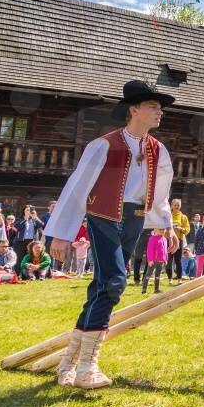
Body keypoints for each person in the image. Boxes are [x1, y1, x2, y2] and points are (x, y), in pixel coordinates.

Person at [46, 80, 176, 390]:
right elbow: (77, 189)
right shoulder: (103, 145)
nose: (159, 113)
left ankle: (69, 364)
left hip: (134, 219)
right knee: (116, 280)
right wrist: (62, 233)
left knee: (101, 287)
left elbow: (159, 194)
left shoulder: (158, 150)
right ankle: (88, 367)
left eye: (160, 109)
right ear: (134, 110)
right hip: (102, 217)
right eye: (153, 107)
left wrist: (168, 225)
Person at [164, 199, 190, 285]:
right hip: (169, 240)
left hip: (179, 240)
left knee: (178, 260)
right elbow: (163, 228)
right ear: (171, 206)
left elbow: (187, 229)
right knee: (169, 261)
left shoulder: (183, 217)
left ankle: (179, 279)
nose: (176, 206)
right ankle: (170, 279)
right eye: (175, 205)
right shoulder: (168, 216)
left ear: (180, 206)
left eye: (178, 205)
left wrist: (181, 229)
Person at [13, 205, 44, 275]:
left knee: (30, 258)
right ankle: (17, 274)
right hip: (20, 242)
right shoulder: (20, 219)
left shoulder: (34, 219)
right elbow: (17, 226)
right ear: (24, 211)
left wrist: (35, 218)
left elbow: (41, 225)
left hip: (31, 242)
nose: (29, 211)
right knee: (19, 258)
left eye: (30, 210)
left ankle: (28, 274)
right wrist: (25, 219)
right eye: (27, 210)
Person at [141, 226, 168, 295]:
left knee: (158, 275)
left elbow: (165, 250)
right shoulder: (152, 239)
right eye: (160, 229)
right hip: (153, 261)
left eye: (163, 229)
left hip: (161, 261)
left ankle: (156, 289)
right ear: (155, 230)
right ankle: (144, 289)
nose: (162, 231)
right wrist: (150, 260)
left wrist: (165, 259)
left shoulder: (164, 239)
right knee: (148, 274)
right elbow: (149, 250)